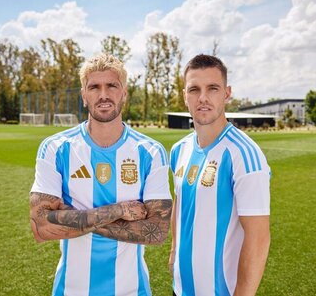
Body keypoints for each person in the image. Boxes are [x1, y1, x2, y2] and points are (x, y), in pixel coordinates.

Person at [29, 53, 172, 296]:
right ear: (84, 95)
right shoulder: (55, 148)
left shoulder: (150, 152)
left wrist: (74, 219)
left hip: (132, 289)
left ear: (124, 92)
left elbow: (156, 231)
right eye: (94, 87)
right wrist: (119, 211)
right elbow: (42, 226)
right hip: (71, 290)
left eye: (112, 86)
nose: (103, 94)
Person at [169, 54, 271, 296]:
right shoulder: (179, 150)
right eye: (194, 89)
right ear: (185, 96)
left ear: (226, 93)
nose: (202, 98)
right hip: (181, 288)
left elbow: (259, 238)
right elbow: (179, 202)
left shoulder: (244, 155)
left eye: (212, 88)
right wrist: (174, 249)